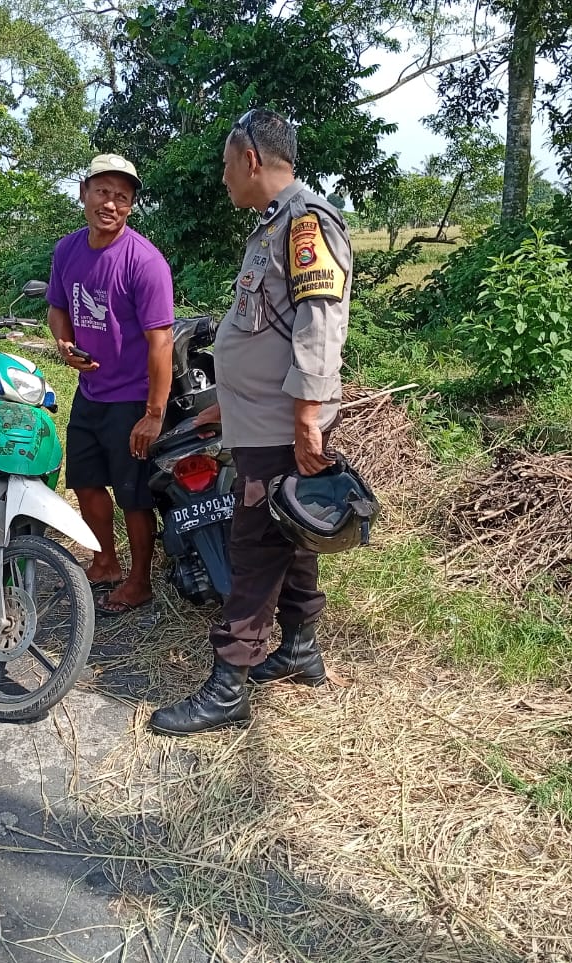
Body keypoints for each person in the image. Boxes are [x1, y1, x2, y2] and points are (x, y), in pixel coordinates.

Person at [149, 109, 353, 736]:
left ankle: (228, 684)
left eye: (226, 162)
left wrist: (309, 417)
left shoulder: (305, 223)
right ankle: (298, 650)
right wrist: (223, 403)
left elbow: (320, 325)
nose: (223, 175)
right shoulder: (272, 226)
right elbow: (262, 329)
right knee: (288, 533)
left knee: (256, 545)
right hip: (259, 416)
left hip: (281, 424)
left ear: (252, 159)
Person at [46, 154, 175, 617]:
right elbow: (58, 306)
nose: (111, 203)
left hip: (131, 396)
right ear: (83, 193)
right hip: (91, 390)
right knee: (84, 482)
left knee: (133, 495)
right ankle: (105, 559)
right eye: (103, 191)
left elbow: (161, 341)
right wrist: (63, 345)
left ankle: (140, 580)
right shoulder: (67, 250)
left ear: (131, 207)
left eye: (122, 196)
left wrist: (153, 413)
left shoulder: (145, 261)